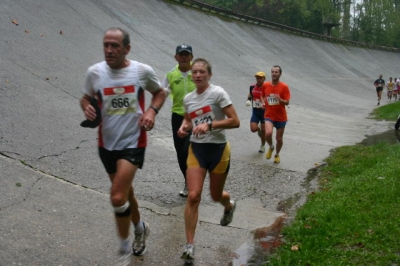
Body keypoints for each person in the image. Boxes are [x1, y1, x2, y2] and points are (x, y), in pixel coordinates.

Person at [79, 27, 166, 265]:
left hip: (133, 142)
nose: (109, 50)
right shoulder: (95, 73)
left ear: (126, 48)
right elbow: (85, 97)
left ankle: (123, 249)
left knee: (117, 196)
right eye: (106, 44)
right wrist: (85, 106)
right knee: (126, 193)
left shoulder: (141, 72)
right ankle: (140, 228)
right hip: (106, 144)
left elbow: (159, 93)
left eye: (114, 45)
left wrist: (151, 110)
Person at [177, 58, 240, 263]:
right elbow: (188, 118)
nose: (197, 75)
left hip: (219, 150)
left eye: (202, 72)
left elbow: (235, 121)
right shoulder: (188, 98)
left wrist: (210, 125)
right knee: (193, 196)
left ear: (209, 75)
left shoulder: (218, 94)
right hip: (197, 149)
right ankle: (189, 246)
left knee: (215, 195)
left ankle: (229, 205)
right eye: (194, 72)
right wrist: (184, 127)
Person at [162, 44, 196, 197]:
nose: (184, 57)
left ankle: (195, 180)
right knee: (180, 154)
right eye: (181, 54)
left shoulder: (198, 73)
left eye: (186, 54)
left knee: (188, 149)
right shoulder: (171, 75)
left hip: (196, 117)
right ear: (176, 57)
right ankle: (188, 182)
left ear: (191, 57)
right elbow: (162, 93)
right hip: (177, 117)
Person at [260, 65, 290, 164]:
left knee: (279, 138)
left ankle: (277, 155)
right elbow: (262, 96)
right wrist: (263, 103)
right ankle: (271, 147)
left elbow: (287, 102)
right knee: (268, 133)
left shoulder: (284, 87)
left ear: (280, 74)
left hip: (281, 117)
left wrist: (280, 100)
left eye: (276, 72)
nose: (274, 73)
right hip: (269, 115)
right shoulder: (265, 85)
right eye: (272, 72)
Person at [246, 71, 266, 153]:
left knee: (264, 130)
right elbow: (250, 94)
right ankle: (259, 130)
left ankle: (262, 146)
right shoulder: (252, 87)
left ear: (264, 79)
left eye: (260, 78)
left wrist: (264, 104)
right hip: (255, 111)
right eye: (257, 78)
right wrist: (248, 100)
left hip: (265, 112)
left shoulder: (267, 87)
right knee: (253, 129)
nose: (259, 79)